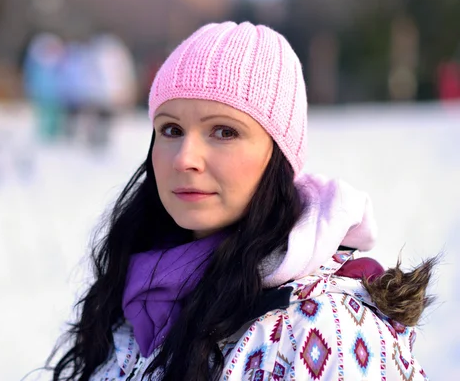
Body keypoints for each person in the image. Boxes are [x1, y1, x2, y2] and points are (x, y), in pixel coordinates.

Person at [48, 22, 433, 380]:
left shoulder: (326, 328)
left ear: (279, 154)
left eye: (223, 131)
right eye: (171, 129)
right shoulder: (136, 291)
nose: (184, 157)